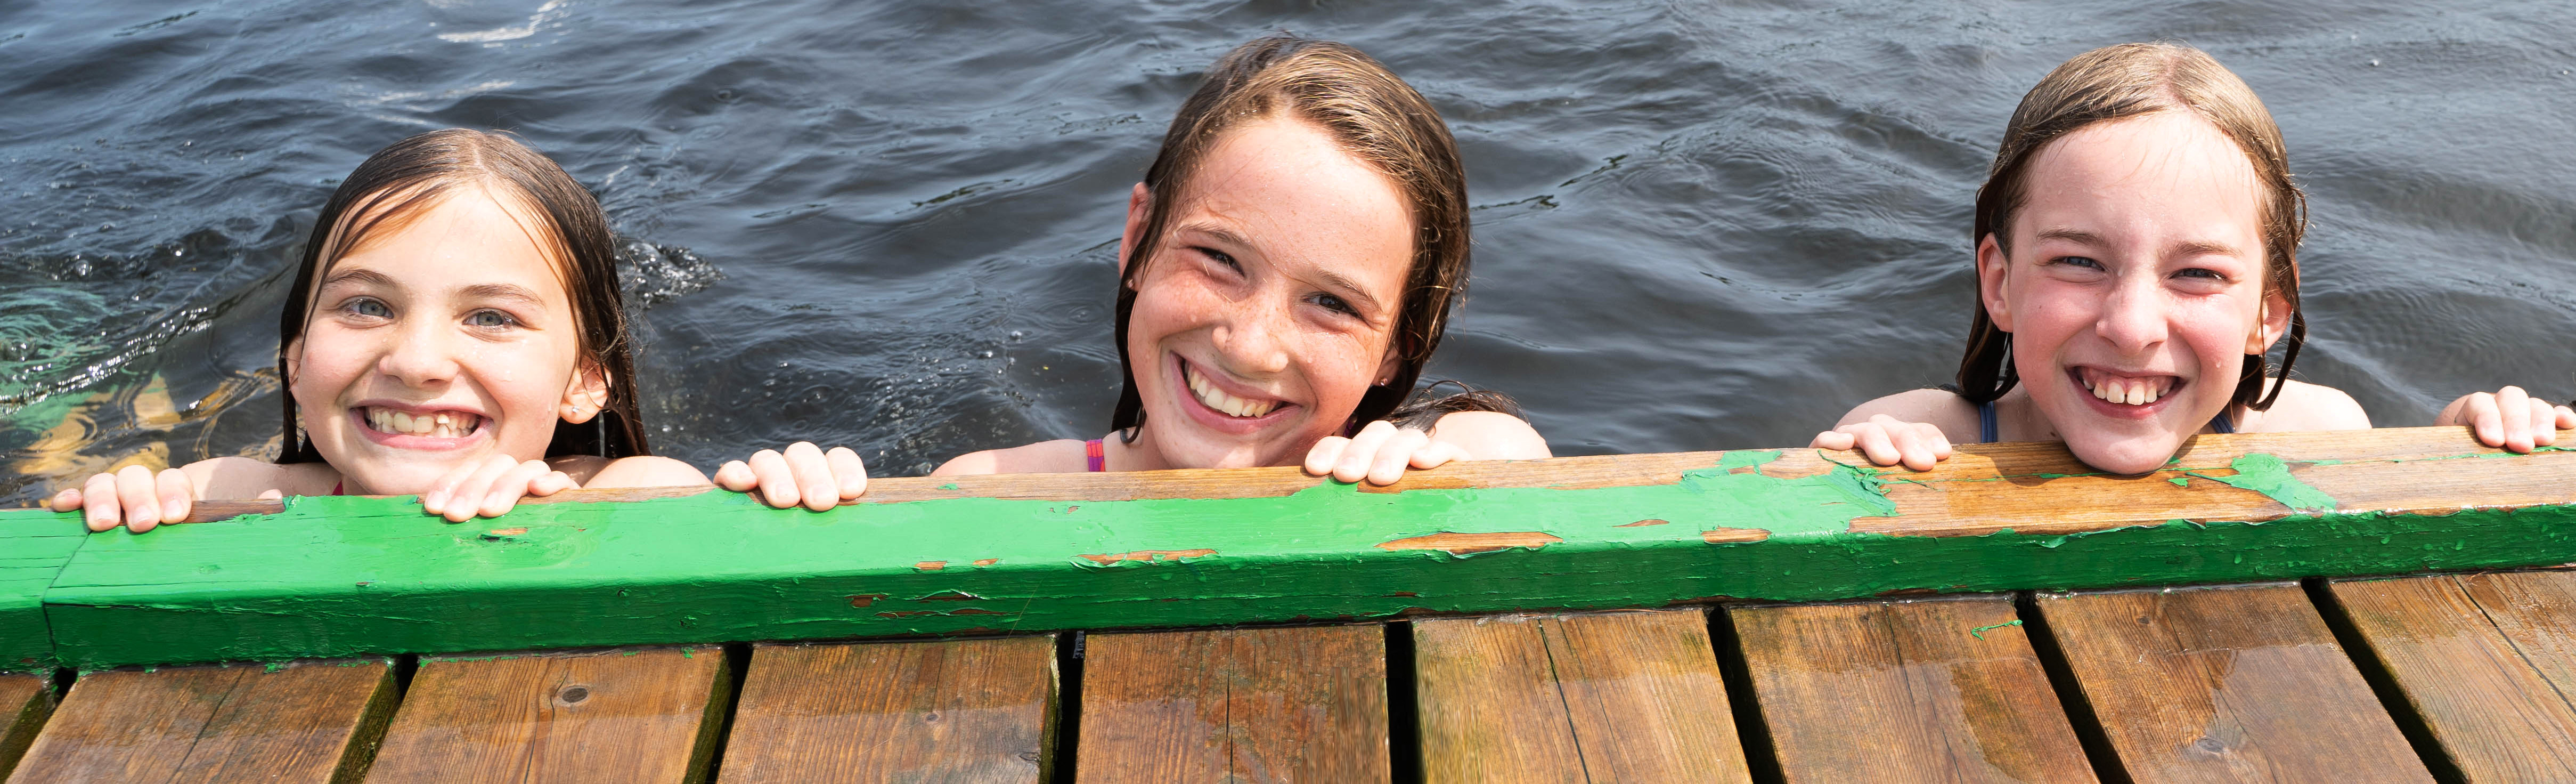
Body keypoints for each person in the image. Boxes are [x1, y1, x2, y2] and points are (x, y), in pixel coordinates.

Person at [717, 34, 1547, 508]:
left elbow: (1513, 454)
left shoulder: (1411, 479)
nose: (1253, 346)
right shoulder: (992, 494)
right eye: (1221, 259)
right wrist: (801, 508)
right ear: (1138, 238)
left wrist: (1439, 462)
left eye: (1330, 302)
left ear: (1399, 349)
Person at [49, 129, 706, 531]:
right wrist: (123, 506)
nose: (416, 362)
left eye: (491, 317)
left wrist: (800, 490)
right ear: (296, 361)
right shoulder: (235, 497)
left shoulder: (634, 497)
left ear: (587, 380)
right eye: (367, 307)